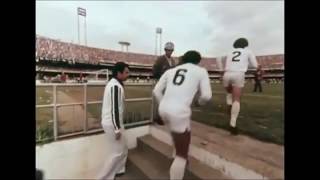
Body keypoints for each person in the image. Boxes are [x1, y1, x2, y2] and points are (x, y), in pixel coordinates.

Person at [153, 50, 212, 180]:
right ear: (198, 61)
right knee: (182, 155)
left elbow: (156, 91)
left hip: (164, 108)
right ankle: (179, 159)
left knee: (179, 133)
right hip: (179, 112)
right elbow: (207, 96)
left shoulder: (170, 71)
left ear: (184, 59)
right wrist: (199, 102)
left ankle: (177, 154)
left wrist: (163, 105)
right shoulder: (201, 71)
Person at [97, 62, 130, 180]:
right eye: (126, 72)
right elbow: (114, 109)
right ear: (119, 73)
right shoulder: (115, 86)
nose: (128, 75)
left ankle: (119, 170)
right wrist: (117, 129)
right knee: (117, 152)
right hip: (112, 123)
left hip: (114, 122)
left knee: (124, 147)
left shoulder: (115, 84)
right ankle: (103, 177)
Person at [222, 38, 258, 135]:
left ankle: (230, 107)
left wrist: (221, 69)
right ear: (245, 44)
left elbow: (219, 58)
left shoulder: (229, 52)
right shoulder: (248, 52)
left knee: (229, 93)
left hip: (227, 74)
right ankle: (232, 124)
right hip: (238, 74)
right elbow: (255, 65)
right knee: (236, 99)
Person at [152, 42, 176, 125]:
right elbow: (154, 71)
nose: (169, 51)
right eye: (168, 50)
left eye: (171, 50)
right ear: (165, 50)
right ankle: (158, 118)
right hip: (162, 83)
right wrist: (161, 77)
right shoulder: (160, 59)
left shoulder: (173, 61)